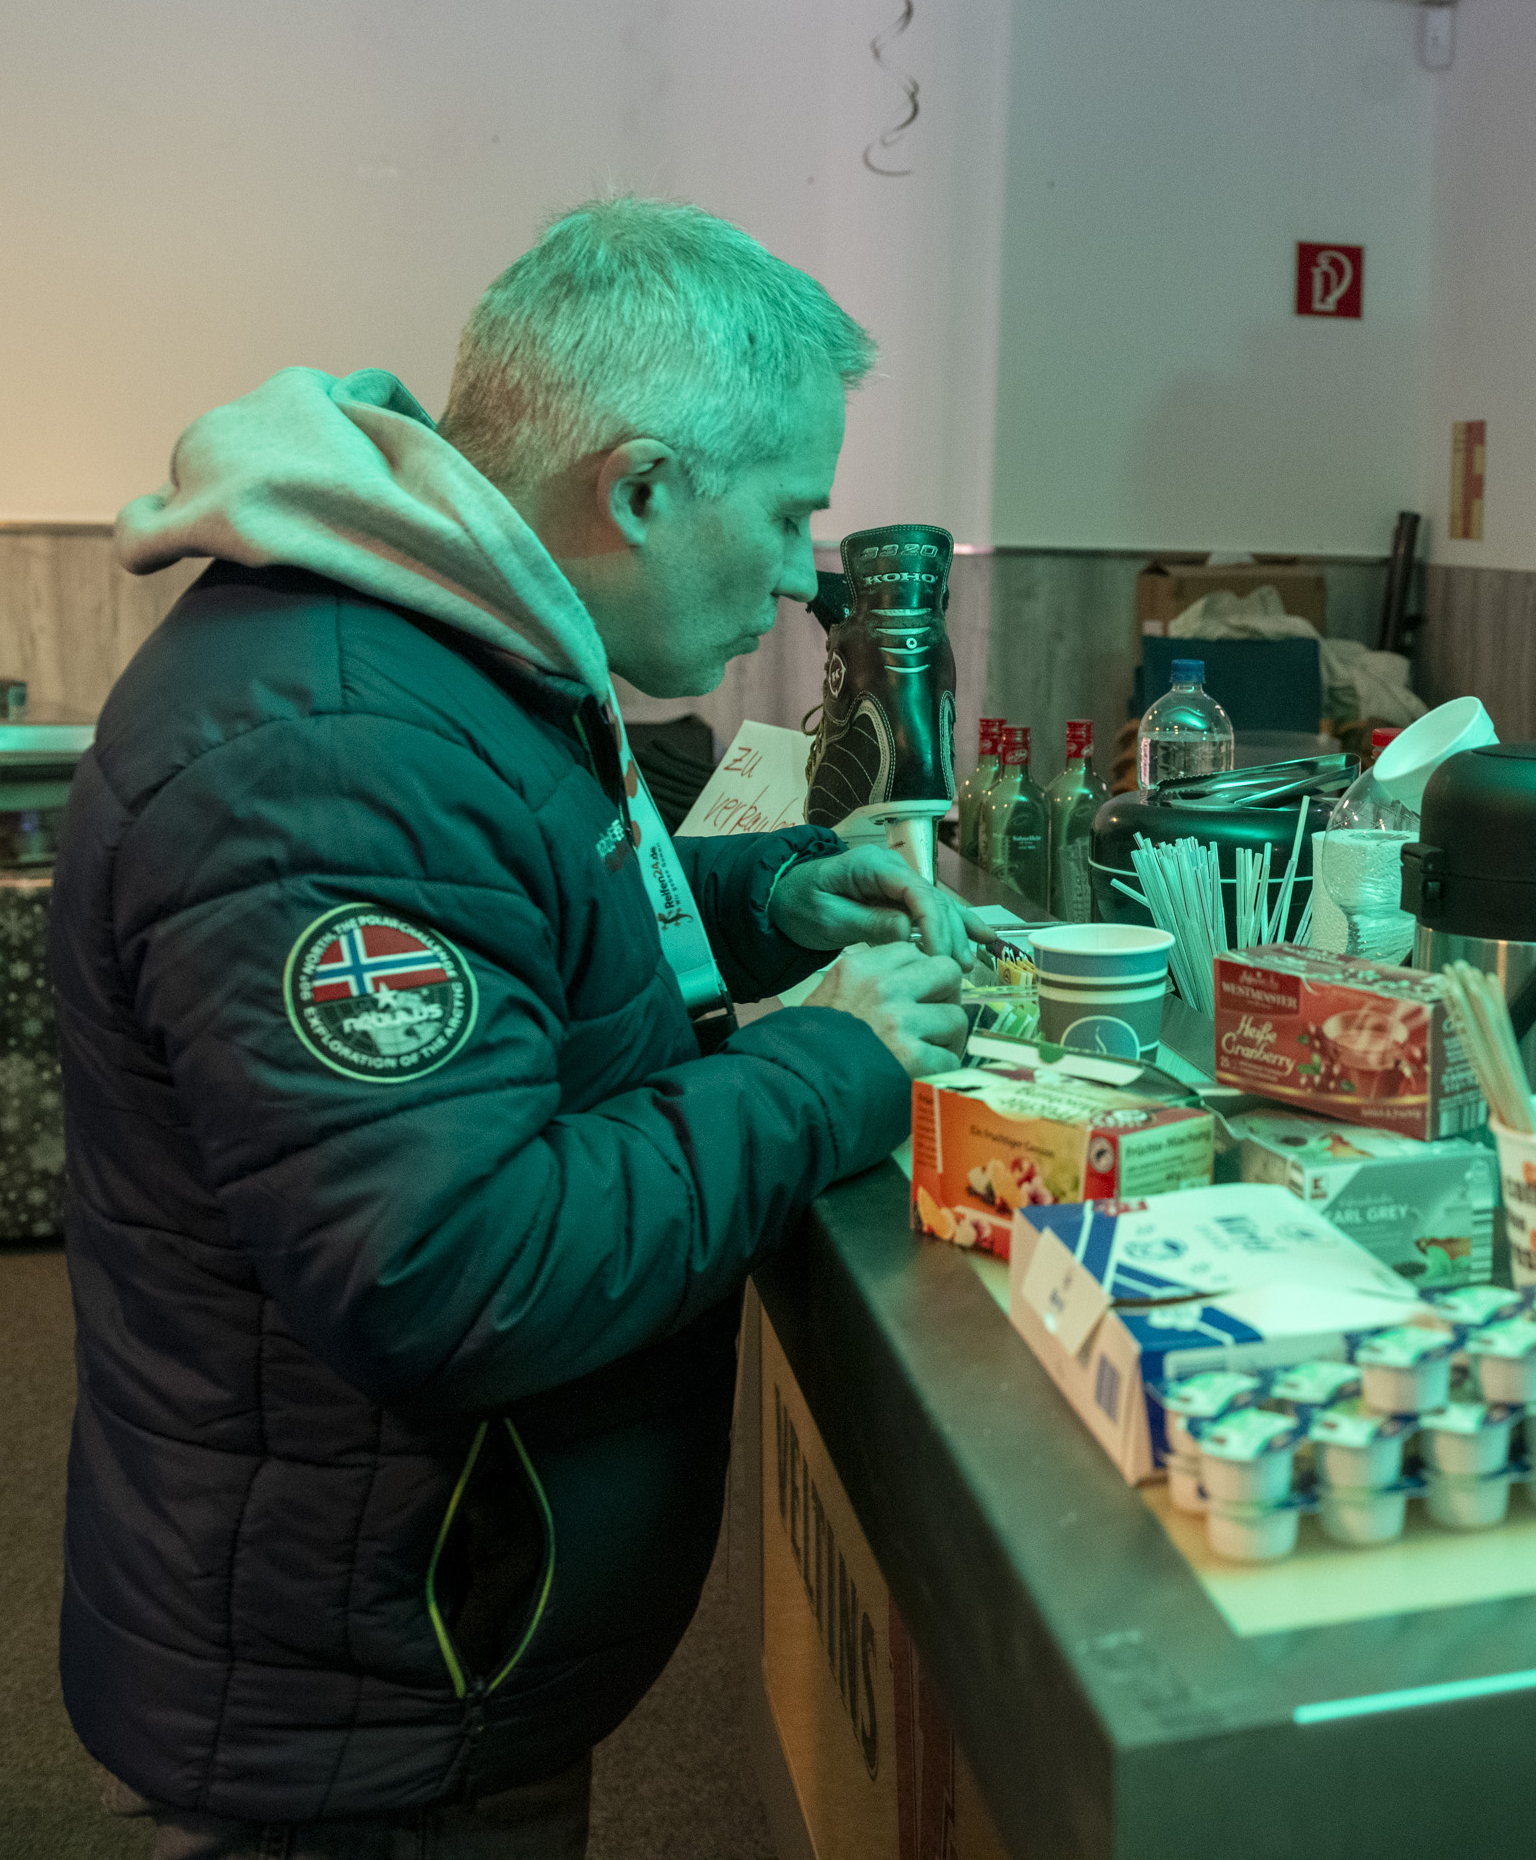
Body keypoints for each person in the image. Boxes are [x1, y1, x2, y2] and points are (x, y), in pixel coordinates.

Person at [51, 196, 997, 1856]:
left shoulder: (442, 641)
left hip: (406, 1616)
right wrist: (834, 1061)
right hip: (363, 1684)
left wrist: (767, 902)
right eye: (788, 519)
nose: (799, 582)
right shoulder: (334, 751)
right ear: (636, 488)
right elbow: (456, 1267)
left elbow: (519, 929)